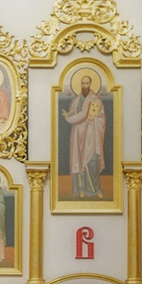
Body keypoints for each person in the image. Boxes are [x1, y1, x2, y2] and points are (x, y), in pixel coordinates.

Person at [62, 70, 108, 201]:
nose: (84, 85)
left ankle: (94, 189)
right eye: (82, 83)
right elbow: (74, 113)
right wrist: (69, 116)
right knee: (79, 160)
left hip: (91, 135)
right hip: (78, 135)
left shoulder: (96, 100)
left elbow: (101, 119)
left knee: (91, 161)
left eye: (87, 83)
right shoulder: (76, 100)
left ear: (90, 84)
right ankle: (80, 189)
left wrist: (94, 120)